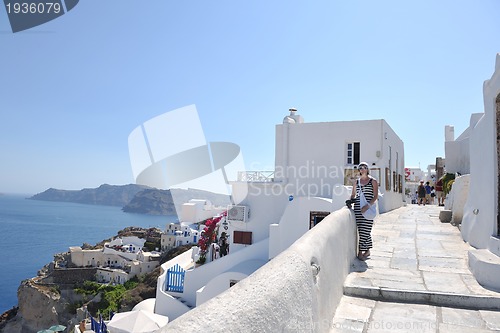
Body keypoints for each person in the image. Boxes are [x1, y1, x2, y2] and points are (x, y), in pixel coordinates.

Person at [347, 162, 378, 261]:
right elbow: (353, 194)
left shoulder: (373, 181)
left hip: (368, 208)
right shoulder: (357, 182)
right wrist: (350, 201)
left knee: (365, 229)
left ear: (367, 169)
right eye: (360, 168)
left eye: (364, 167)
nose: (362, 169)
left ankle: (360, 252)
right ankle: (367, 250)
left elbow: (375, 196)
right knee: (362, 230)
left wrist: (367, 206)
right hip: (358, 209)